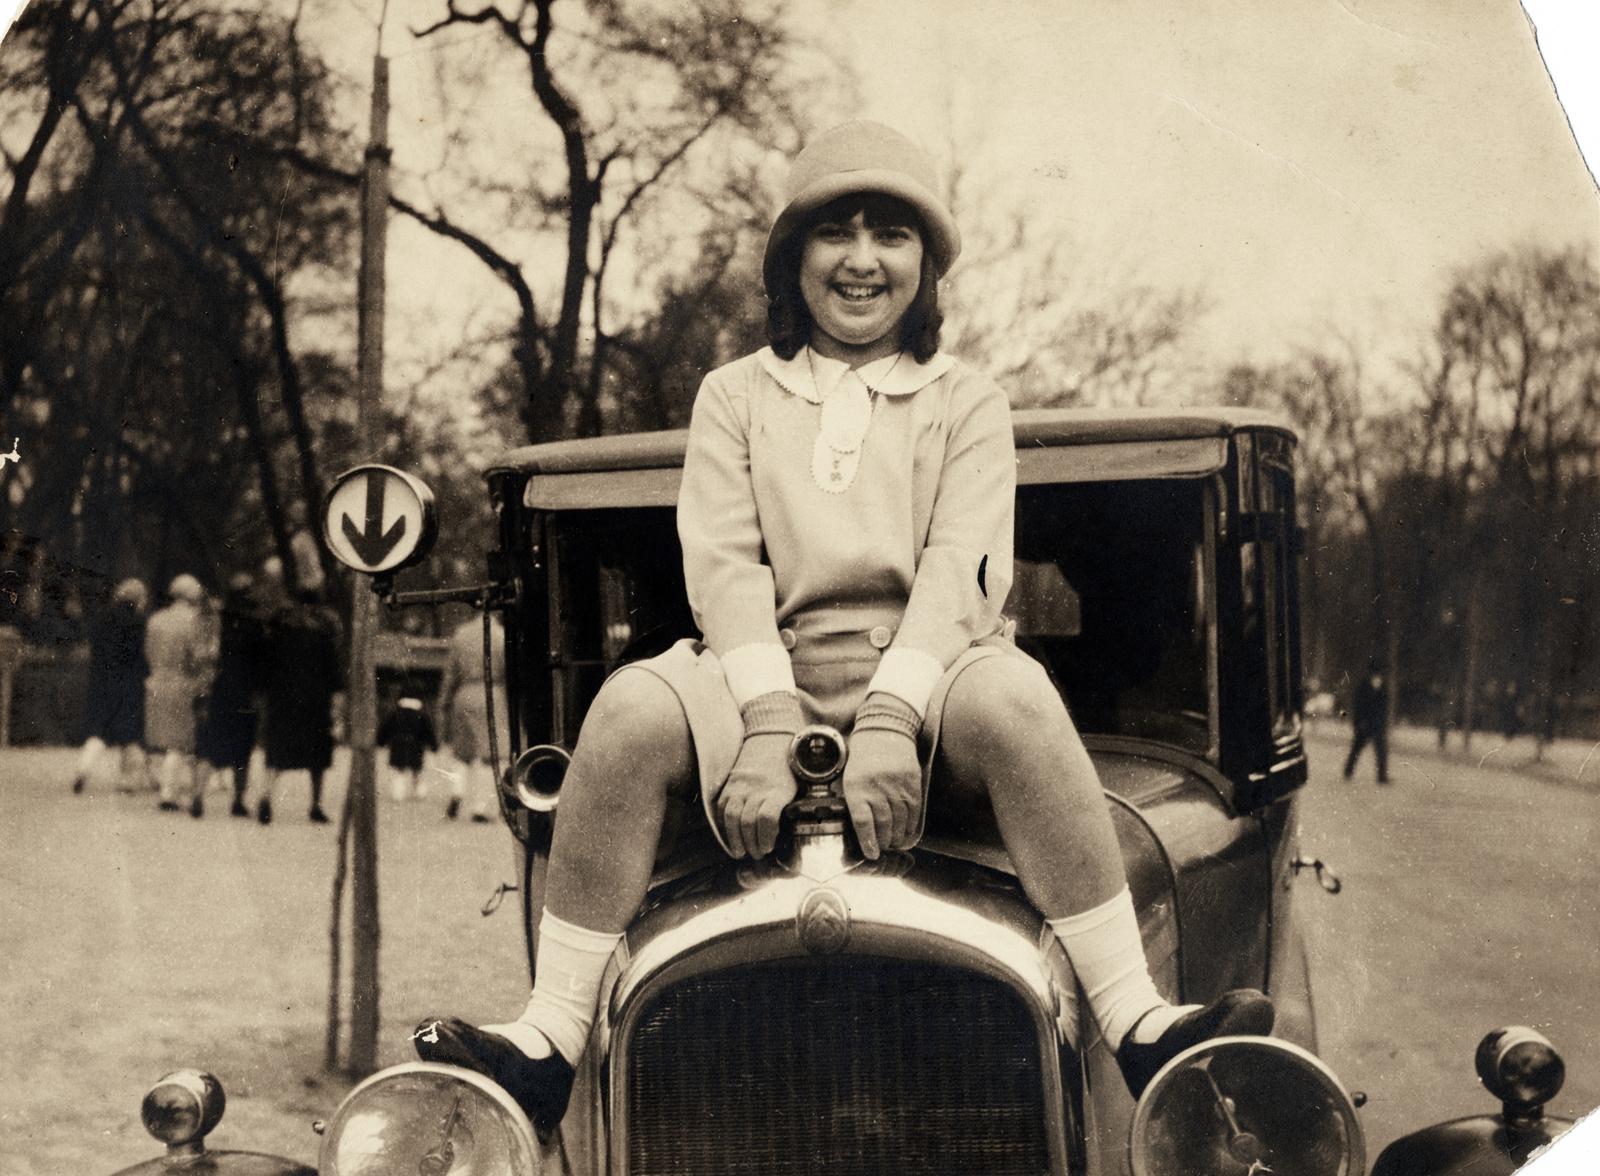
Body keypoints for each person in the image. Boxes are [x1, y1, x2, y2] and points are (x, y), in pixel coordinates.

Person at [413, 120, 1273, 1128]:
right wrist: (770, 720)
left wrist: (886, 727)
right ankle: (550, 1035)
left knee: (1017, 697)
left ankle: (1136, 1019)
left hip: (928, 667)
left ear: (927, 265)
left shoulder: (966, 400)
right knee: (627, 709)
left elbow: (961, 574)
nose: (862, 261)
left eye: (892, 235)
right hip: (758, 671)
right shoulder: (733, 396)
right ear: (791, 259)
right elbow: (724, 566)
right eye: (835, 233)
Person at [258, 588, 343, 824]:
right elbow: (334, 673)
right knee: (317, 758)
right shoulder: (322, 634)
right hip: (315, 703)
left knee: (277, 753)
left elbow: (266, 668)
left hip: (283, 701)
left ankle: (266, 796)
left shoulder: (280, 633)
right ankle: (315, 805)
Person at [195, 572, 267, 817]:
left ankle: (197, 795)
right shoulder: (255, 624)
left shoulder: (220, 621)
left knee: (210, 746)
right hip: (245, 694)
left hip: (221, 691)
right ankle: (238, 800)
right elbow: (261, 663)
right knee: (242, 750)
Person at [71, 578, 150, 795]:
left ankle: (83, 769)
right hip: (130, 686)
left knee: (99, 732)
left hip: (102, 683)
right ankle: (127, 782)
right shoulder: (140, 623)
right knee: (131, 736)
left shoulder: (101, 619)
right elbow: (142, 657)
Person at [143, 574, 213, 816]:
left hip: (155, 681)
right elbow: (197, 656)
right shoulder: (193, 621)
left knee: (162, 739)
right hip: (182, 683)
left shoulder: (155, 619)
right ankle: (168, 793)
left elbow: (148, 651)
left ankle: (165, 785)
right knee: (179, 741)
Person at [437, 613, 508, 823]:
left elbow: (450, 673)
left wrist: (445, 701)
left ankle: (456, 794)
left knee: (462, 753)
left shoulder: (461, 634)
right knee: (492, 754)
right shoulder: (501, 635)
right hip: (492, 693)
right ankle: (482, 807)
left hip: (464, 693)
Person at [378, 685, 439, 802]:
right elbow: (428, 731)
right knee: (417, 771)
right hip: (416, 746)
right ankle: (420, 792)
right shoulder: (422, 715)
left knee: (399, 771)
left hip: (398, 746)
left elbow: (385, 729)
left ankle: (398, 793)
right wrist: (433, 745)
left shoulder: (395, 713)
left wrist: (380, 742)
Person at [1343, 662, 1390, 784]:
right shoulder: (1363, 686)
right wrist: (1359, 722)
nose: (1379, 675)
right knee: (1356, 748)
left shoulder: (1383, 686)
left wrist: (1383, 723)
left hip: (1377, 724)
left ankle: (1382, 776)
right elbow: (1358, 706)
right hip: (1365, 723)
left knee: (1381, 750)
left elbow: (1383, 708)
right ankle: (1348, 771)